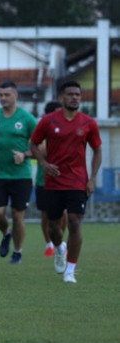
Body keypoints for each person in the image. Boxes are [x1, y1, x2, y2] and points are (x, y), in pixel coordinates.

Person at [29, 81, 102, 284]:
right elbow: (33, 143)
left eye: (78, 94)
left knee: (75, 222)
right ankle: (60, 247)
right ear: (62, 98)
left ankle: (70, 270)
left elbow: (97, 150)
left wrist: (93, 178)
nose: (75, 97)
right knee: (53, 226)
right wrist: (43, 163)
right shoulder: (48, 121)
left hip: (78, 181)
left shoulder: (89, 123)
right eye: (70, 94)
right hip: (53, 182)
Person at [0, 81, 37, 264]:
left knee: (17, 215)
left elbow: (41, 147)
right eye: (1, 95)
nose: (3, 98)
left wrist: (25, 154)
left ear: (16, 96)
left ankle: (18, 252)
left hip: (21, 176)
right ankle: (7, 233)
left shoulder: (27, 119)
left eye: (7, 95)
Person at [34, 101, 66, 257]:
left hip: (65, 179)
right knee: (45, 215)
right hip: (43, 180)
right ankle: (49, 245)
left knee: (64, 213)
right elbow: (41, 150)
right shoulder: (42, 129)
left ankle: (60, 243)